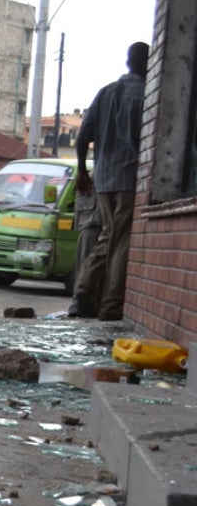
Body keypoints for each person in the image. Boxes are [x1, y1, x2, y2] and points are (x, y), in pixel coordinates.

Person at [68, 42, 149, 321]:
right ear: (148, 64)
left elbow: (83, 138)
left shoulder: (105, 93)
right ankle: (111, 305)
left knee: (107, 235)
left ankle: (83, 290)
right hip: (130, 179)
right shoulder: (147, 95)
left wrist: (82, 171)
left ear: (128, 62)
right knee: (121, 240)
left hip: (104, 178)